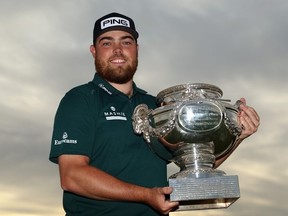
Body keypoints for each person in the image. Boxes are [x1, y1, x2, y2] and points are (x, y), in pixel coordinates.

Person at [49, 12, 260, 216]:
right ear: (94, 51)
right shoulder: (80, 99)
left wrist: (237, 136)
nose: (117, 50)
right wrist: (146, 195)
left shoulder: (156, 107)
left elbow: (194, 166)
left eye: (126, 42)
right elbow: (72, 176)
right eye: (107, 43)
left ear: (136, 49)